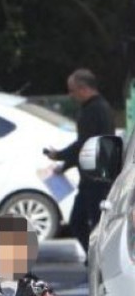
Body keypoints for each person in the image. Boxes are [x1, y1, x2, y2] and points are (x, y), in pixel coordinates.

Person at [44, 68, 115, 256]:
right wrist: (65, 166)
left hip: (96, 179)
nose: (71, 95)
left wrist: (59, 155)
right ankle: (94, 259)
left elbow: (84, 144)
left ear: (83, 88)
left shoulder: (95, 110)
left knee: (91, 223)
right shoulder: (96, 108)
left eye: (72, 90)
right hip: (92, 177)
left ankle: (99, 260)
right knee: (80, 222)